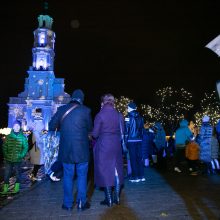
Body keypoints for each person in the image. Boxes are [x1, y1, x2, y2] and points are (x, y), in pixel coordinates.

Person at [49, 89, 92, 211]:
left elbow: (51, 126)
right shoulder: (86, 111)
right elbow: (90, 128)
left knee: (67, 176)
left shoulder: (62, 109)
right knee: (82, 176)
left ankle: (67, 204)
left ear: (72, 98)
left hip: (66, 150)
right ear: (81, 99)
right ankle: (81, 203)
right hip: (82, 151)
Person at [91, 93, 124, 207]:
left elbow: (95, 134)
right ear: (113, 102)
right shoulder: (119, 115)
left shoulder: (100, 115)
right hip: (116, 145)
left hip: (104, 145)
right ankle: (117, 198)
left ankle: (109, 199)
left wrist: (90, 134)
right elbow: (122, 132)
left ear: (103, 102)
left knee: (105, 170)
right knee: (116, 171)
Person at [0, 120, 28, 195]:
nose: (16, 127)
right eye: (15, 125)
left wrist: (21, 155)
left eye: (18, 126)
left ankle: (16, 188)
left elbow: (25, 147)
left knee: (18, 174)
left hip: (18, 159)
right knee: (6, 174)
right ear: (13, 126)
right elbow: (4, 146)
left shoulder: (23, 137)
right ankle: (5, 189)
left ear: (20, 127)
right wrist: (6, 154)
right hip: (8, 159)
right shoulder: (8, 136)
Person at [125, 102, 145, 182]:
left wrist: (125, 141)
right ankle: (141, 176)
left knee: (133, 158)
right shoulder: (141, 117)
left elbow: (126, 130)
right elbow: (142, 130)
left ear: (129, 108)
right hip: (139, 140)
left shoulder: (127, 117)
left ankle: (135, 177)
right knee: (139, 158)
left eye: (127, 107)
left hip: (131, 140)